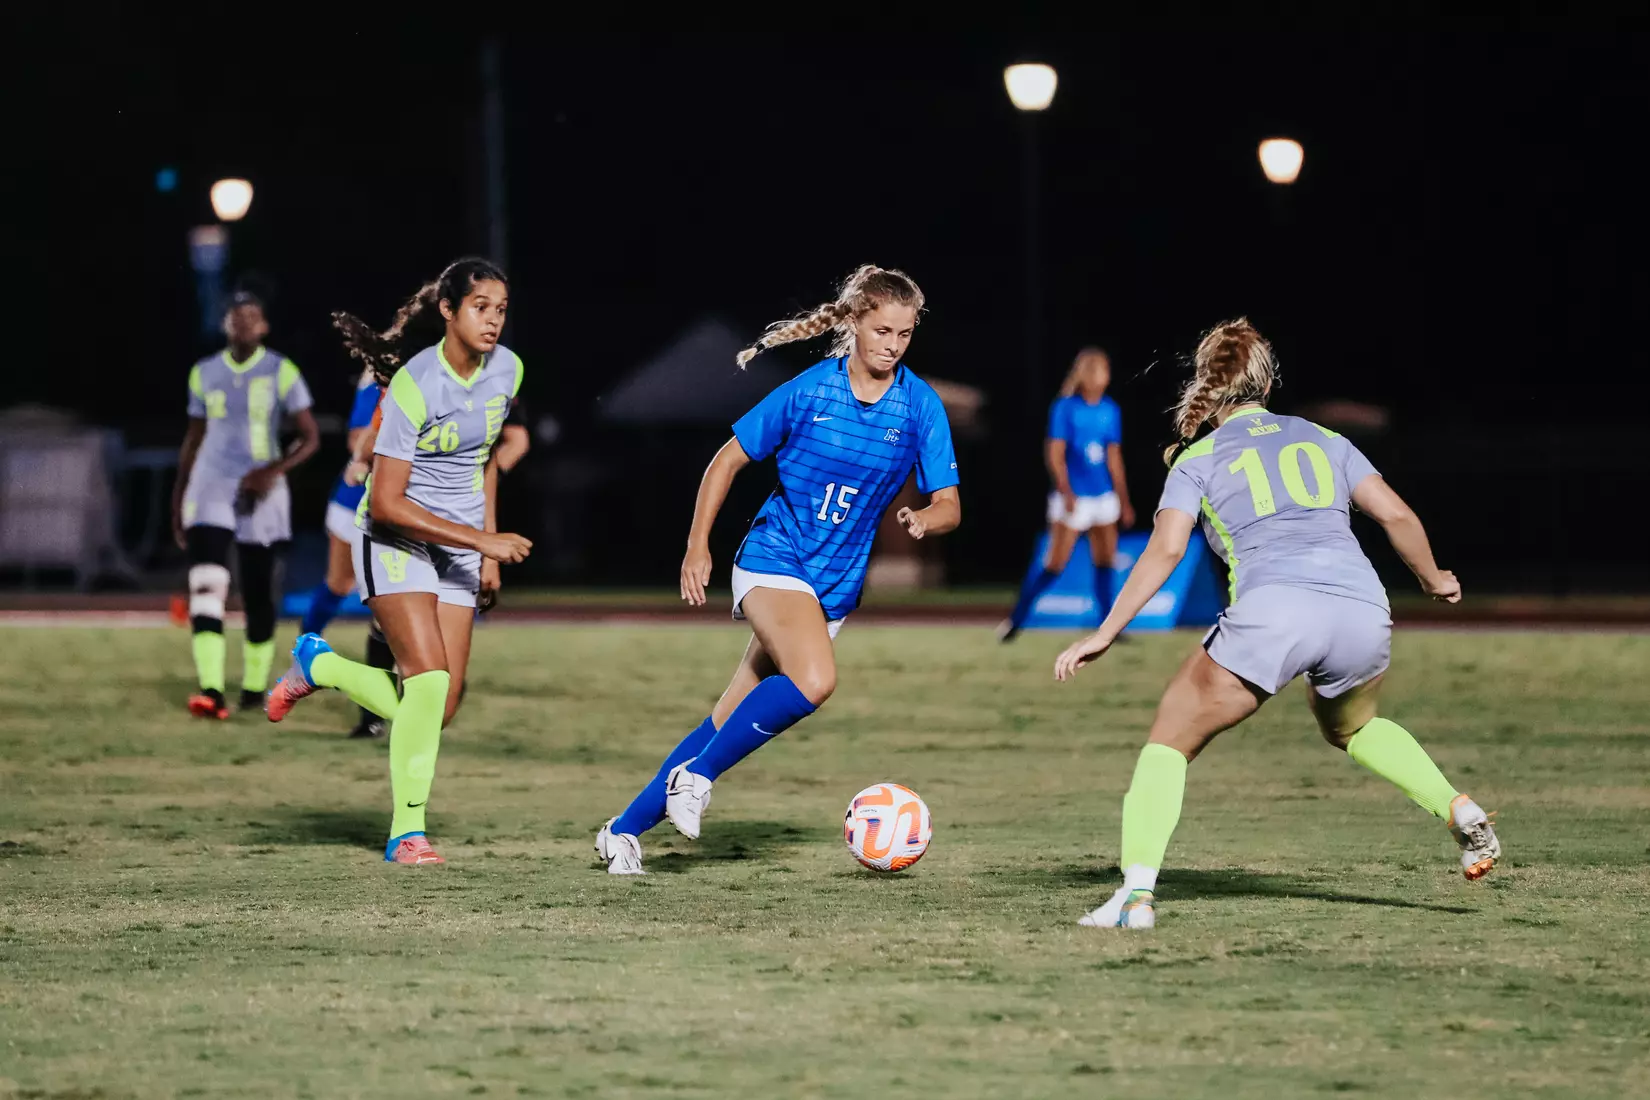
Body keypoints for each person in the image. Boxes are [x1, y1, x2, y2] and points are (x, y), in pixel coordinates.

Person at [1053, 318, 1499, 929]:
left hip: (1275, 611)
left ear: (1207, 387)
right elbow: (1395, 515)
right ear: (1266, 382)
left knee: (1170, 740)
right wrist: (1433, 578)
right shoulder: (1324, 437)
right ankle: (1456, 807)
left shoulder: (1198, 458)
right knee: (1352, 727)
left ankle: (1133, 900)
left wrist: (1106, 631)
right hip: (1362, 609)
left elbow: (1164, 550)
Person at [596, 264, 962, 875]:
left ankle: (623, 831)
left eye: (904, 334)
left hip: (835, 589)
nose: (892, 345)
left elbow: (950, 503)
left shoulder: (919, 406)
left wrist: (928, 518)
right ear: (852, 324)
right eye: (881, 331)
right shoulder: (810, 391)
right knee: (815, 679)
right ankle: (697, 779)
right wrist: (697, 546)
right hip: (774, 559)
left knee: (725, 719)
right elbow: (725, 461)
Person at [264, 258, 532, 866]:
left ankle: (322, 666)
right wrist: (482, 542)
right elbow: (385, 504)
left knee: (442, 706)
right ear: (448, 310)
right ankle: (406, 834)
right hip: (393, 536)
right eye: (480, 307)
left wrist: (483, 548)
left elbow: (485, 464)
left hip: (461, 544)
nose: (492, 320)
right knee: (429, 681)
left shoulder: (509, 371)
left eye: (501, 310)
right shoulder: (414, 383)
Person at [173, 292, 320, 719]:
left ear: (264, 326)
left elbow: (310, 437)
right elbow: (193, 436)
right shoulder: (204, 372)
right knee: (207, 584)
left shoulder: (281, 370)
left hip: (262, 491)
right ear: (225, 325)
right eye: (236, 318)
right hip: (211, 485)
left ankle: (254, 689)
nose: (243, 325)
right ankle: (212, 691)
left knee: (258, 595)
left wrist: (271, 471)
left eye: (252, 318)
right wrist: (179, 492)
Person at [999, 347, 1134, 642]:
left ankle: (1109, 628)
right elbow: (1055, 454)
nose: (1103, 377)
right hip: (1074, 496)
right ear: (1085, 374)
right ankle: (1015, 620)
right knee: (1055, 563)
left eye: (1105, 371)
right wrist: (1066, 491)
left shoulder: (1110, 410)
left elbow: (1114, 458)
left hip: (1103, 496)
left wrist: (1123, 500)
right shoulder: (1065, 408)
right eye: (1098, 370)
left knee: (1106, 560)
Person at [295, 368, 395, 738]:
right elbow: (358, 440)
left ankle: (379, 710)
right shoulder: (384, 380)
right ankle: (306, 653)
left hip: (410, 507)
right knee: (343, 586)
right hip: (361, 505)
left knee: (393, 611)